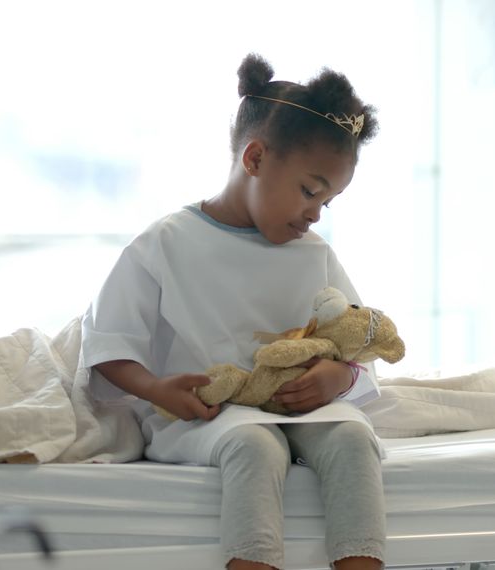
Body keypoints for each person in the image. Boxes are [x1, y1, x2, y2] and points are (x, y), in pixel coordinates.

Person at [80, 53, 385, 570]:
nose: (314, 213)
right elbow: (107, 342)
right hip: (208, 416)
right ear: (255, 159)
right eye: (310, 191)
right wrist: (156, 389)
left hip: (298, 412)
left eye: (327, 202)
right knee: (254, 443)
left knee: (356, 438)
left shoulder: (315, 255)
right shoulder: (168, 243)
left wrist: (337, 376)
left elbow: (355, 340)